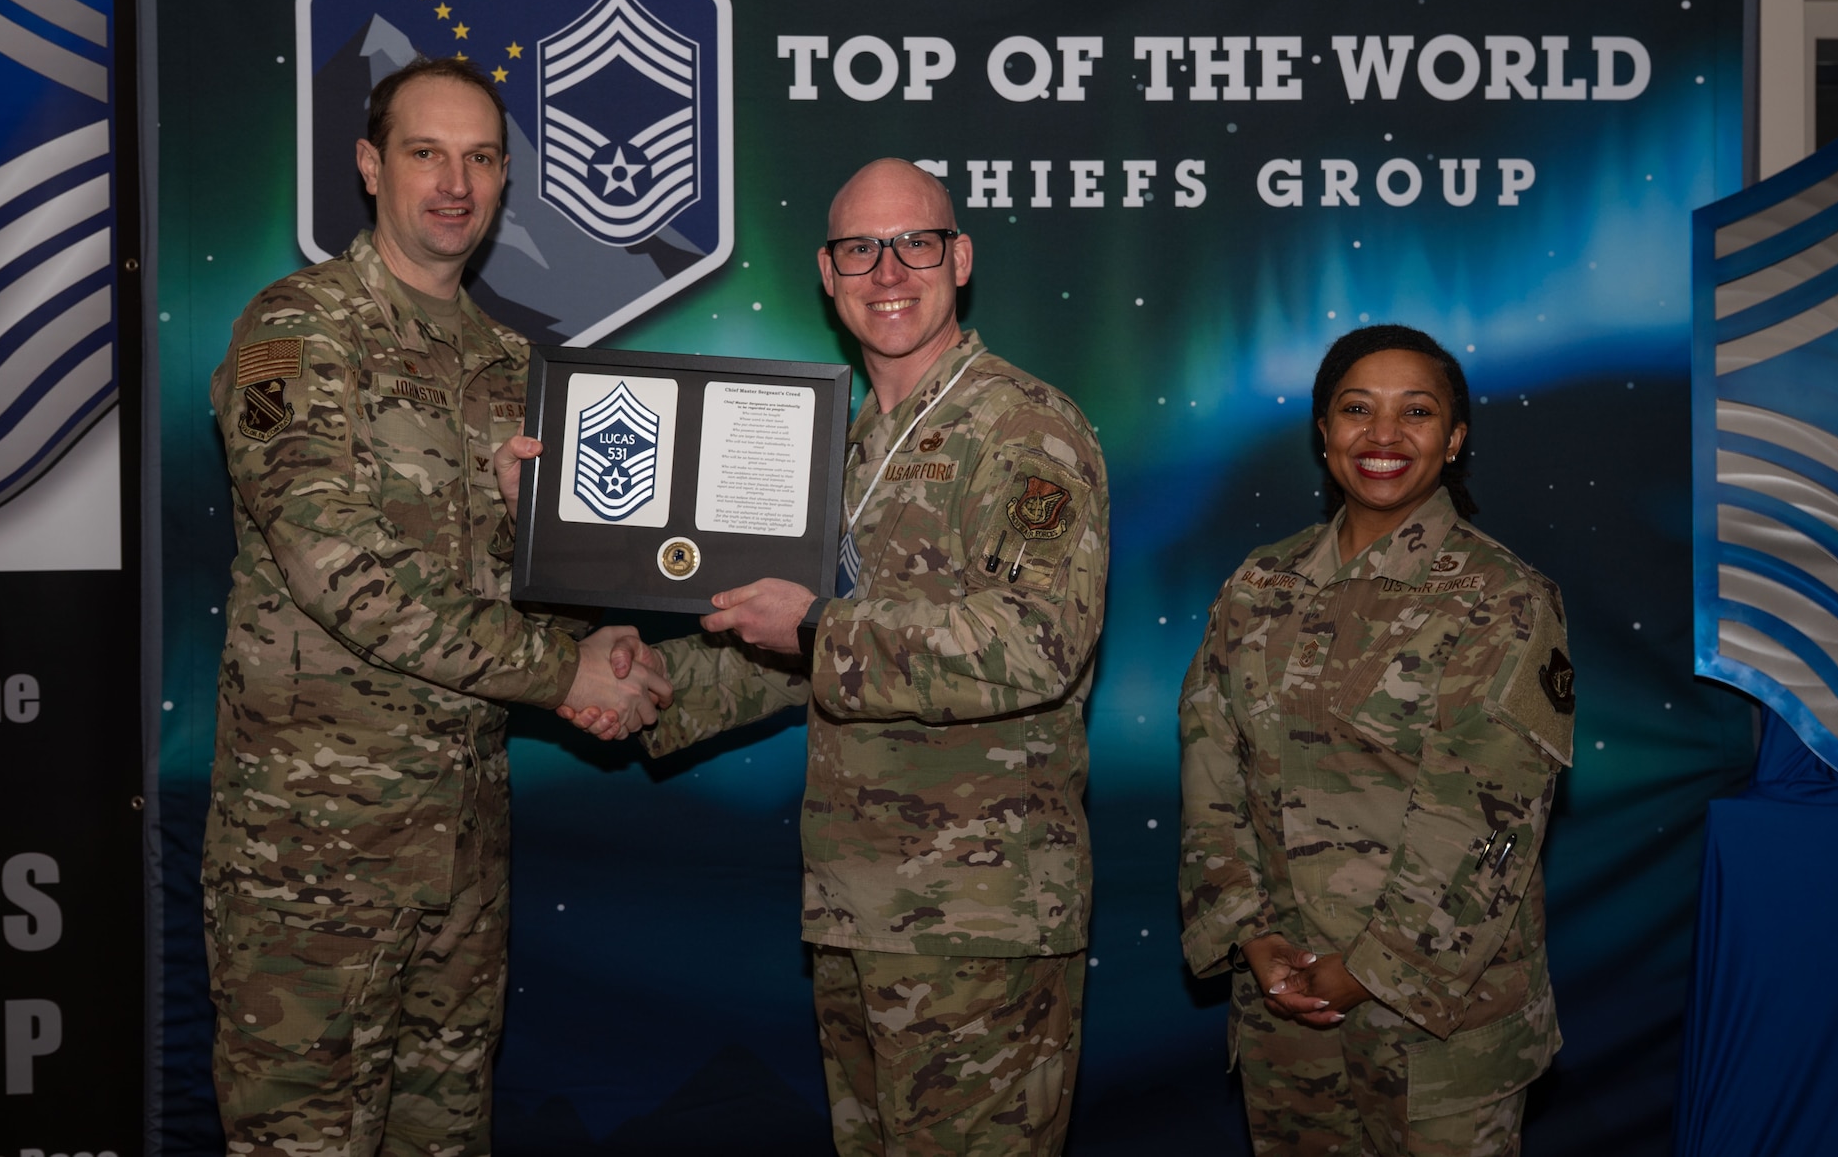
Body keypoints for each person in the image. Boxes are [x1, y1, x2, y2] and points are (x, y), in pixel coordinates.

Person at [564, 158, 1108, 1156]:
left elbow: (1035, 643)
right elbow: (775, 641)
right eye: (860, 247)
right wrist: (641, 678)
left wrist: (818, 628)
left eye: (915, 242)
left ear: (960, 258)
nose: (887, 269)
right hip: (857, 909)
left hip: (975, 919)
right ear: (826, 269)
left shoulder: (1024, 429)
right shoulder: (839, 446)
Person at [202, 56, 671, 1157]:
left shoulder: (509, 365)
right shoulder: (297, 331)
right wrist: (564, 675)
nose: (453, 183)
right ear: (370, 166)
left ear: (506, 178)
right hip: (313, 864)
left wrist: (590, 631)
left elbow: (505, 588)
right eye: (425, 152)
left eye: (479, 158)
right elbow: (344, 576)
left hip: (459, 852)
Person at [1177, 325, 1574, 1156]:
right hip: (1285, 1013)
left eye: (1416, 412)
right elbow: (1211, 768)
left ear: (1455, 438)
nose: (1383, 435)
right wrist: (1251, 933)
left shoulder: (1503, 598)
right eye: (1357, 409)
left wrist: (1366, 971)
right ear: (1323, 431)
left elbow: (1489, 822)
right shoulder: (1258, 584)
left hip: (1439, 1036)